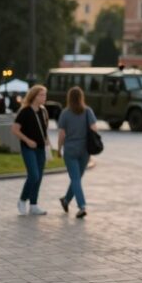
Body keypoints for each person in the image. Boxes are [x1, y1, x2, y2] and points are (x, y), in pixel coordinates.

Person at [57, 87, 98, 219]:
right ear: (81, 97)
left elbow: (62, 134)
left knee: (75, 179)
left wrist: (59, 149)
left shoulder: (65, 113)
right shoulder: (87, 111)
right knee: (77, 179)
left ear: (69, 98)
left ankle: (79, 206)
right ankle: (71, 202)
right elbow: (94, 129)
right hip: (85, 150)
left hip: (70, 150)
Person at [11, 85, 51, 216]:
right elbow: (15, 129)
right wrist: (28, 140)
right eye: (41, 95)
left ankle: (33, 205)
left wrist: (47, 143)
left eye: (45, 95)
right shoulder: (25, 111)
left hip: (41, 148)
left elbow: (45, 130)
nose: (44, 97)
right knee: (33, 175)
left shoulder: (44, 111)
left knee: (39, 177)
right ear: (34, 96)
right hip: (28, 148)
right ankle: (22, 200)